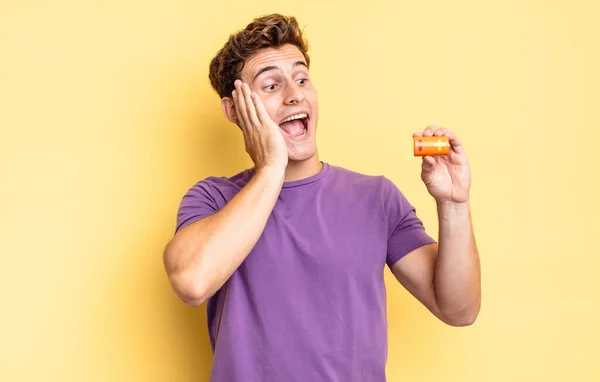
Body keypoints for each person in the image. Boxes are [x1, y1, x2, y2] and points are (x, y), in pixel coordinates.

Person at [163, 13, 481, 382]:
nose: (294, 94)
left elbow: (459, 309)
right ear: (234, 110)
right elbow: (191, 282)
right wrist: (270, 169)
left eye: (301, 79)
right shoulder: (213, 199)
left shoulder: (375, 198)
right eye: (270, 86)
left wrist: (454, 205)